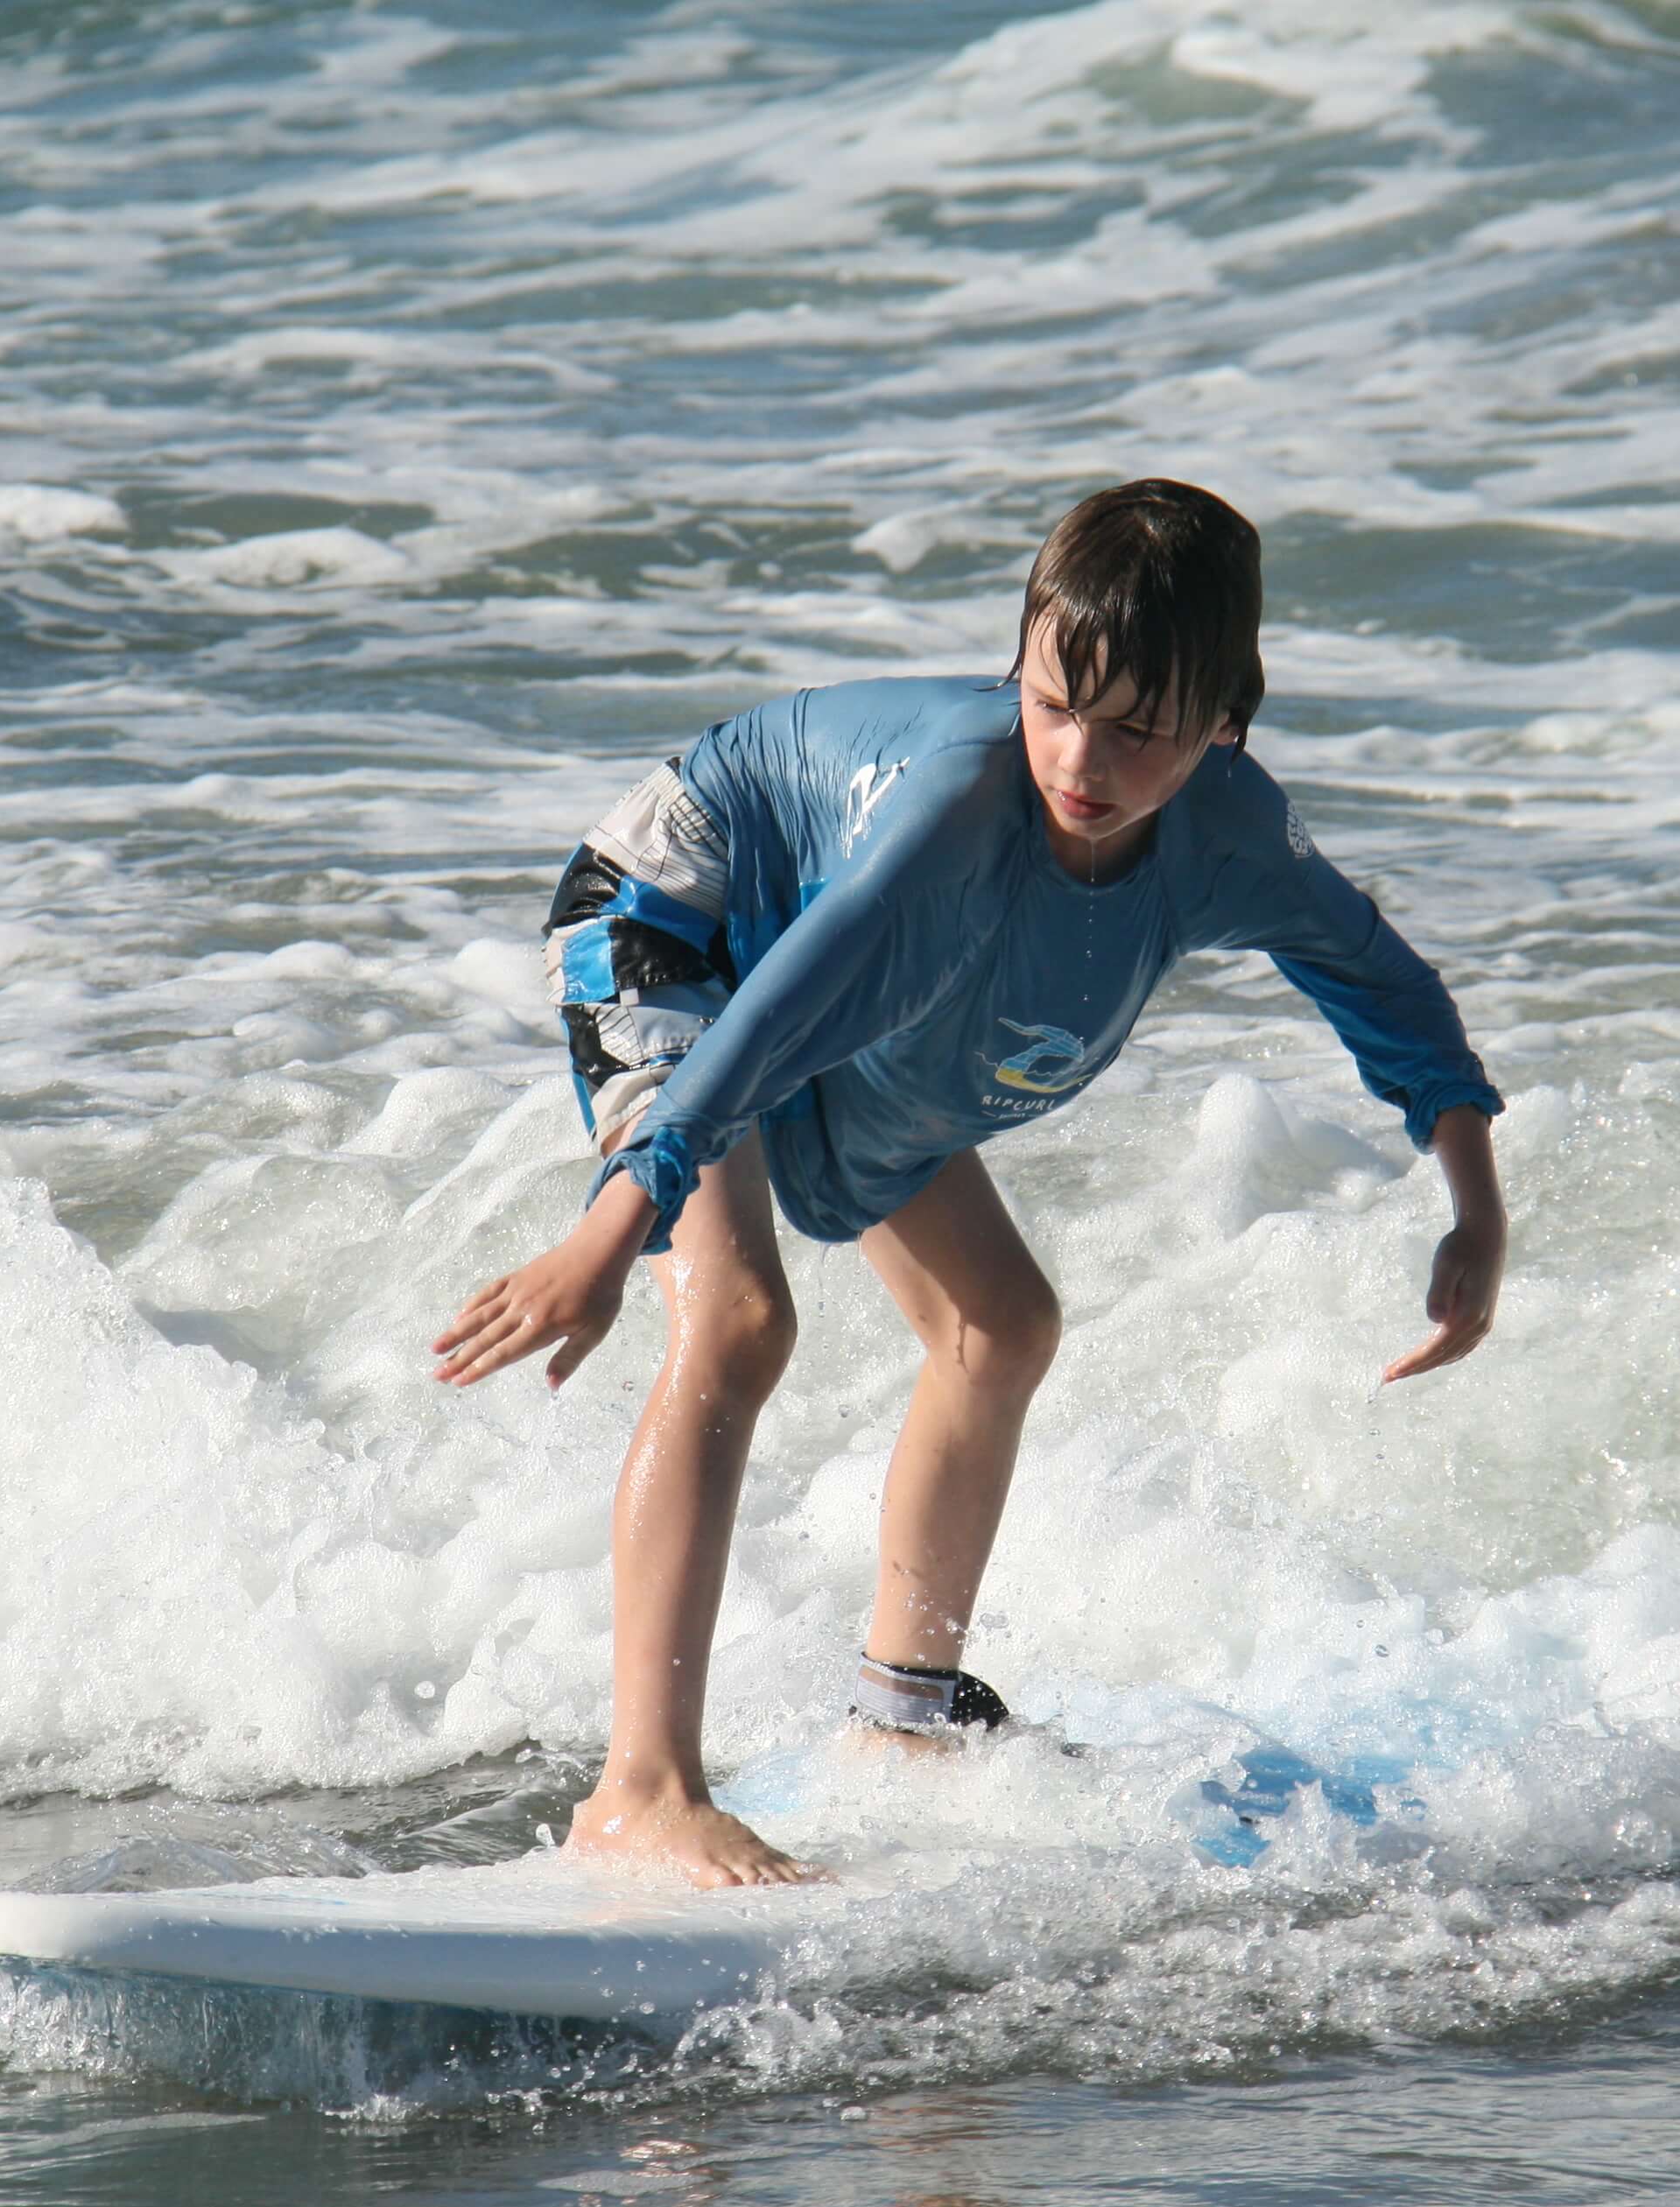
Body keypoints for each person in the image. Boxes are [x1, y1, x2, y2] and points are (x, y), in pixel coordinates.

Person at [433, 479, 1506, 1887]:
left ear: (1226, 725)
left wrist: (1473, 1204)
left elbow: (1385, 983)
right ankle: (639, 1791)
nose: (1081, 758)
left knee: (999, 1325)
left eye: (1139, 732)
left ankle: (902, 1720)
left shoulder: (1231, 839)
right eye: (1056, 702)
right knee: (741, 1316)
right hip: (682, 910)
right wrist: (614, 1228)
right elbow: (771, 1020)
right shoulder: (955, 814)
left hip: (862, 983)